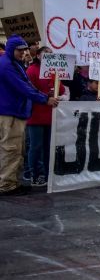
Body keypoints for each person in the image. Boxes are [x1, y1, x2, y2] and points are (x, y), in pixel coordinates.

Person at [0, 35, 59, 196]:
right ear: (12, 50)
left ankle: (12, 182)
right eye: (20, 50)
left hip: (15, 112)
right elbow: (24, 88)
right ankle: (6, 185)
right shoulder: (7, 66)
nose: (23, 53)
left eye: (24, 49)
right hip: (9, 113)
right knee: (10, 149)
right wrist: (45, 98)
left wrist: (44, 96)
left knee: (16, 150)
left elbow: (27, 85)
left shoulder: (14, 64)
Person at [25, 46, 65, 187]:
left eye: (50, 54)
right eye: (45, 54)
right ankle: (34, 175)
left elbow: (60, 89)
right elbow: (29, 90)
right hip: (36, 114)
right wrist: (45, 96)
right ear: (38, 56)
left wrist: (56, 80)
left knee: (49, 146)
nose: (49, 56)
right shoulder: (32, 70)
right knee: (35, 146)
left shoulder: (54, 71)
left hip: (50, 114)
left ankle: (48, 175)